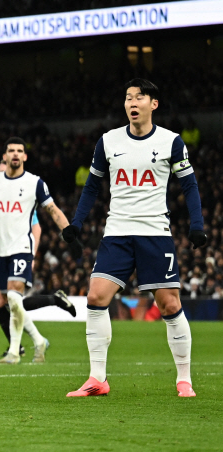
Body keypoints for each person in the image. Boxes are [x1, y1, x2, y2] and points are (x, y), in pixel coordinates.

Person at [62, 79, 206, 398]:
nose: (132, 102)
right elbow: (91, 187)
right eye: (128, 97)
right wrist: (77, 222)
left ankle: (184, 379)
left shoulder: (171, 142)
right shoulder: (108, 141)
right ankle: (97, 378)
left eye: (139, 97)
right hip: (117, 232)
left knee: (169, 304)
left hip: (155, 232)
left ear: (153, 104)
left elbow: (190, 186)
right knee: (96, 297)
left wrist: (197, 224)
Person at [0, 137, 78, 364]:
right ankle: (38, 341)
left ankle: (14, 351)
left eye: (20, 151)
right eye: (11, 151)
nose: (16, 154)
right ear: (5, 156)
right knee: (6, 301)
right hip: (0, 251)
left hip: (22, 248)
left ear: (25, 156)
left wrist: (68, 232)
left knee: (12, 297)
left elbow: (53, 210)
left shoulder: (35, 183)